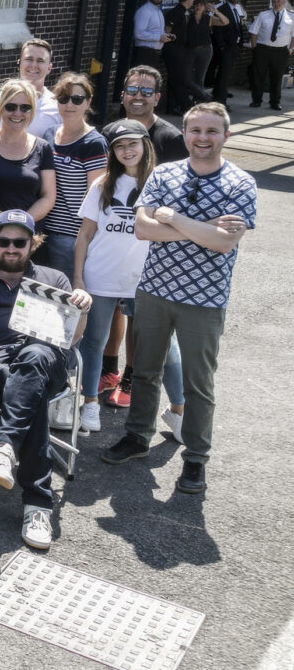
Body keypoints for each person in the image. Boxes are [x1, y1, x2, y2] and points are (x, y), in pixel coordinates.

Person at [100, 103, 256, 495]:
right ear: (184, 134)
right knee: (144, 370)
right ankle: (137, 436)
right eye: (195, 130)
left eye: (211, 131)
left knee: (198, 383)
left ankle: (196, 458)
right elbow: (143, 229)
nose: (203, 138)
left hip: (204, 301)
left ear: (226, 135)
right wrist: (203, 228)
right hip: (153, 291)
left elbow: (223, 243)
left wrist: (172, 218)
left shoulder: (240, 183)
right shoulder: (163, 174)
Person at [0, 209, 92, 551]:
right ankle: (37, 505)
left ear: (33, 244)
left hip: (46, 362)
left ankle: (5, 446)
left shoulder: (54, 278)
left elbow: (72, 338)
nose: (11, 248)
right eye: (4, 241)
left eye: (20, 242)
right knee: (30, 393)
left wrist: (82, 312)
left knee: (35, 356)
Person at [72, 121, 183, 437]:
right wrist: (78, 278)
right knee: (94, 342)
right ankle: (90, 403)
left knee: (167, 347)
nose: (127, 150)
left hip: (146, 281)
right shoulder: (103, 184)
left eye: (132, 143)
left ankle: (179, 411)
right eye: (119, 146)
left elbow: (175, 231)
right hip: (100, 276)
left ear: (146, 145)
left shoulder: (162, 183)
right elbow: (85, 235)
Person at [98, 65, 186, 408]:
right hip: (114, 238)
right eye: (133, 90)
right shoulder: (110, 132)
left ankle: (133, 379)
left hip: (151, 245)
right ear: (123, 95)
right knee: (113, 307)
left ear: (157, 97)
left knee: (139, 315)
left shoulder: (171, 139)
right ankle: (109, 369)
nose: (138, 96)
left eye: (146, 91)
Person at [0, 79, 56, 248]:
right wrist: (5, 222)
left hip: (29, 241)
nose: (18, 113)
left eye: (25, 108)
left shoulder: (43, 148)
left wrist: (23, 224)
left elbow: (48, 196)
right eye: (11, 107)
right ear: (1, 108)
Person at [40, 72, 107, 280]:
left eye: (77, 99)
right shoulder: (49, 134)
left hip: (69, 237)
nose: (69, 104)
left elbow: (95, 196)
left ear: (88, 102)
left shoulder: (94, 143)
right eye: (63, 98)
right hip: (41, 230)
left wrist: (84, 240)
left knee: (62, 293)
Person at [247, 0, 292, 111]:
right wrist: (255, 48)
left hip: (280, 52)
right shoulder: (263, 15)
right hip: (262, 50)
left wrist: (291, 49)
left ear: (284, 2)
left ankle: (275, 102)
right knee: (258, 76)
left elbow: (293, 36)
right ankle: (256, 100)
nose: (276, 4)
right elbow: (254, 32)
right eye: (274, 1)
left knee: (276, 78)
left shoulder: (291, 16)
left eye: (279, 1)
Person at [16, 39, 62, 138]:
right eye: (29, 59)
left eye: (40, 61)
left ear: (49, 68)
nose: (33, 65)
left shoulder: (58, 108)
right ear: (19, 63)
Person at [162, 0, 197, 114]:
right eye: (193, 0)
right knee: (177, 78)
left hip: (178, 48)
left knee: (175, 78)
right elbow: (168, 28)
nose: (193, 2)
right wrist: (170, 37)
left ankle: (172, 106)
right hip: (173, 48)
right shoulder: (177, 12)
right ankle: (185, 105)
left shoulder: (183, 12)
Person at [209, 0, 246, 104]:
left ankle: (218, 94)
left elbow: (239, 27)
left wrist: (240, 43)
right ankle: (221, 100)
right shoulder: (222, 9)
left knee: (226, 73)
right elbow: (217, 30)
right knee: (223, 74)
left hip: (234, 46)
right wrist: (222, 46)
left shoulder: (237, 9)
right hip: (225, 48)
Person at [133, 0, 175, 70]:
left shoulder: (158, 11)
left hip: (155, 53)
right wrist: (159, 37)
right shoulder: (145, 11)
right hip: (144, 52)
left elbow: (156, 31)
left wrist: (167, 36)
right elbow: (138, 33)